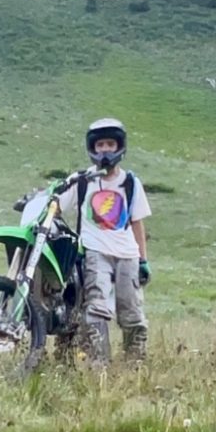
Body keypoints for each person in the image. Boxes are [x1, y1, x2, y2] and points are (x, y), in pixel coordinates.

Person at [66, 117, 152, 363]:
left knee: (131, 310)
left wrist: (143, 260)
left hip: (127, 253)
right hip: (94, 251)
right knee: (97, 307)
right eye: (100, 144)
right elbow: (58, 205)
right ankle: (98, 364)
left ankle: (134, 363)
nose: (105, 149)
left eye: (110, 144)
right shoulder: (82, 181)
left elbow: (137, 222)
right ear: (92, 148)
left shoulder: (130, 182)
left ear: (119, 147)